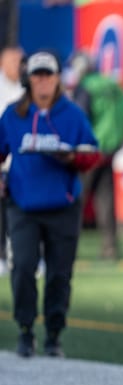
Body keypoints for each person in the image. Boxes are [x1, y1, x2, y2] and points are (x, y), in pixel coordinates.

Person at [0, 51, 101, 357]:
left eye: (48, 74)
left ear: (58, 78)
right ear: (27, 79)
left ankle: (54, 333)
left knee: (59, 272)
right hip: (23, 205)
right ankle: (25, 329)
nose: (42, 81)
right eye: (37, 75)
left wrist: (71, 157)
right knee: (23, 267)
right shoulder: (12, 115)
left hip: (62, 205)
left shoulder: (72, 115)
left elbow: (91, 154)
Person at [67, 51, 123, 260]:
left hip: (90, 150)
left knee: (76, 198)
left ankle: (67, 246)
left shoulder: (86, 87)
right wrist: (118, 143)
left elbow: (79, 118)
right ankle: (110, 247)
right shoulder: (112, 85)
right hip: (110, 150)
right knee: (105, 199)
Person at [0, 46, 24, 276]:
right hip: (2, 158)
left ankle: (25, 254)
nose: (19, 65)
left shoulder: (28, 88)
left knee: (22, 210)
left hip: (23, 162)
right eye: (14, 61)